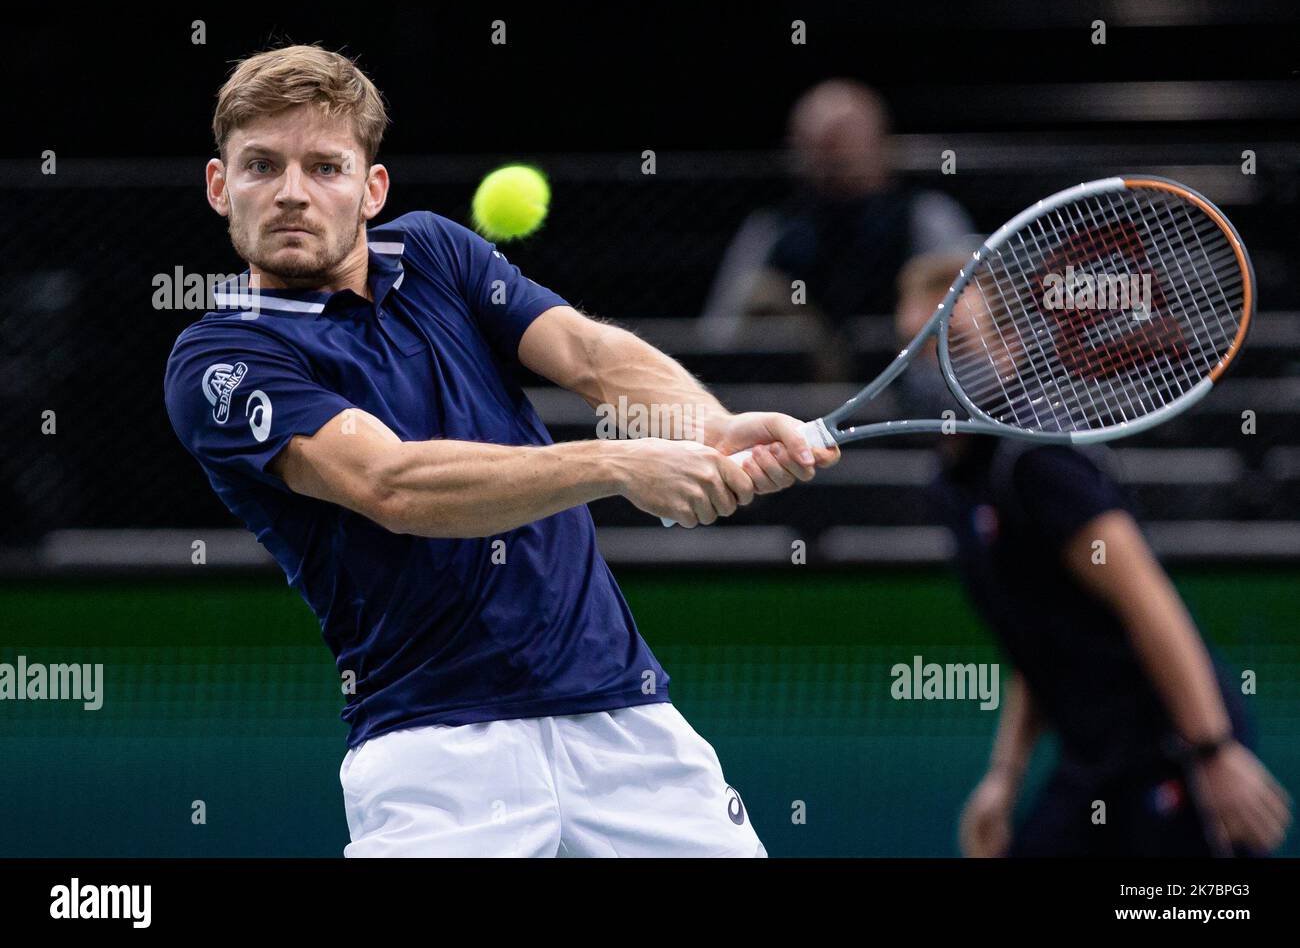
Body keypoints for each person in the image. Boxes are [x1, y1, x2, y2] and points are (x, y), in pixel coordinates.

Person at [163, 45, 838, 857]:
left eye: (326, 166)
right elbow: (393, 486)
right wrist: (619, 464)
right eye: (262, 166)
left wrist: (709, 426)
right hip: (435, 756)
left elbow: (590, 357)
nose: (294, 192)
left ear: (372, 189)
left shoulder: (436, 253)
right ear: (218, 186)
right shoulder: (219, 360)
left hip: (626, 724)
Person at [890, 253, 1292, 857]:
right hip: (1094, 764)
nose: (935, 366)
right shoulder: (953, 485)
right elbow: (1037, 640)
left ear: (1008, 352)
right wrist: (1006, 775)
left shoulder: (1038, 463)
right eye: (917, 347)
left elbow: (1147, 600)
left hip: (1171, 751)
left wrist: (1213, 753)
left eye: (957, 344)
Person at [701, 79, 973, 380]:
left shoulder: (924, 215)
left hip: (908, 378)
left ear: (878, 143)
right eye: (817, 145)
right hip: (801, 395)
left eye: (842, 141)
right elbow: (720, 330)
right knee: (760, 292)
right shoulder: (774, 226)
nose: (831, 157)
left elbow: (971, 315)